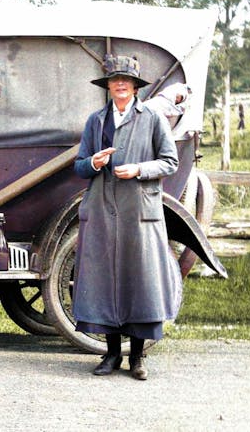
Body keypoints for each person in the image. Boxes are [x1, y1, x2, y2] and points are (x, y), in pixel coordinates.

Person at [73, 55, 181, 380]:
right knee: (104, 280)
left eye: (126, 80)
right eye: (114, 79)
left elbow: (170, 162)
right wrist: (93, 161)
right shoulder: (96, 121)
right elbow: (79, 166)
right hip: (102, 208)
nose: (120, 84)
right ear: (107, 85)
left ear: (135, 86)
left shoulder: (152, 117)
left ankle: (136, 359)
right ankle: (110, 356)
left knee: (140, 279)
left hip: (139, 211)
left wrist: (139, 169)